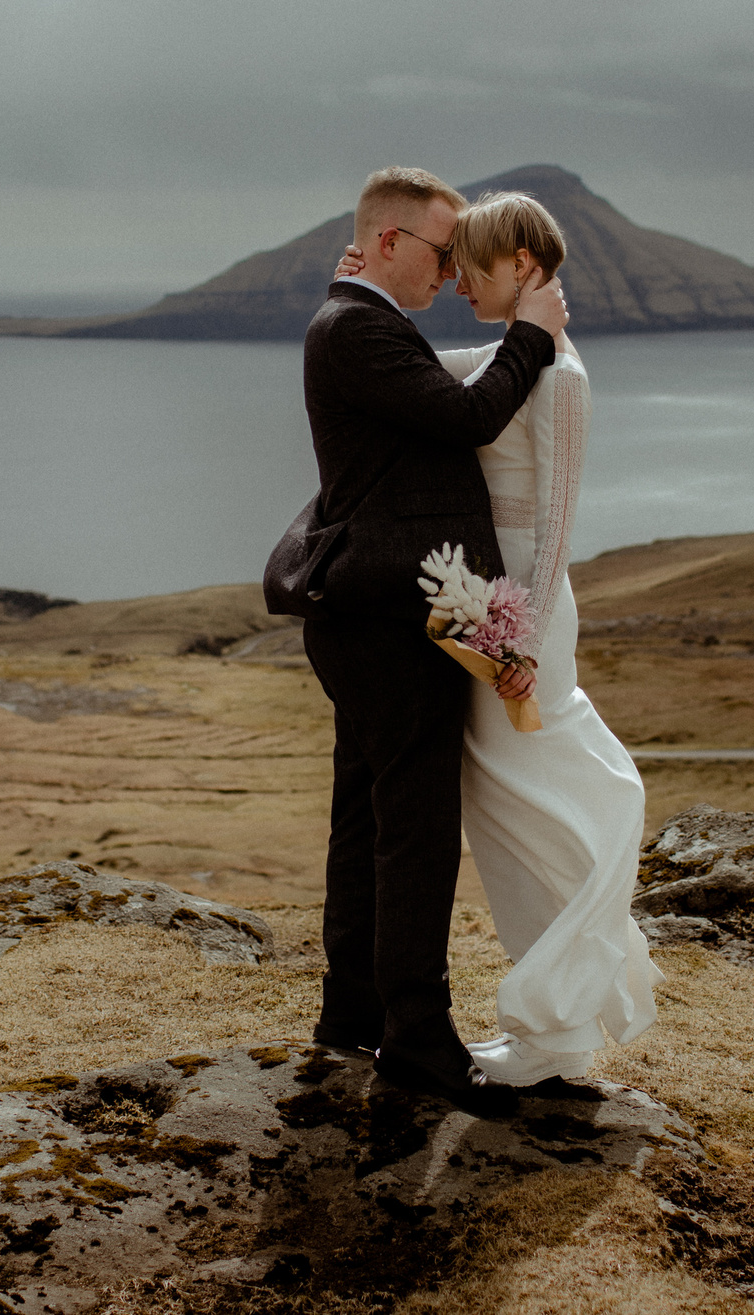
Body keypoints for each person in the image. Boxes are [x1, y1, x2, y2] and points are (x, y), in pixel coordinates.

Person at [333, 191, 660, 1087]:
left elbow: (554, 526)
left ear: (520, 264)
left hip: (521, 621)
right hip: (488, 611)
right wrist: (359, 296)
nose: (458, 279)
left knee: (535, 804)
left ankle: (557, 1027)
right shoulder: (521, 352)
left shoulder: (563, 377)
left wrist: (524, 645)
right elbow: (424, 374)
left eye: (473, 265)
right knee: (506, 816)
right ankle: (555, 1023)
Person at [276, 165, 571, 1116]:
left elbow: (438, 395)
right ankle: (416, 1038)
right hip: (389, 626)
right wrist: (534, 332)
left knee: (366, 823)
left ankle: (352, 1012)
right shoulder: (357, 328)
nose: (452, 274)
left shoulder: (357, 322)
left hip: (369, 618)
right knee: (415, 833)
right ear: (392, 244)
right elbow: (469, 412)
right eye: (444, 254)